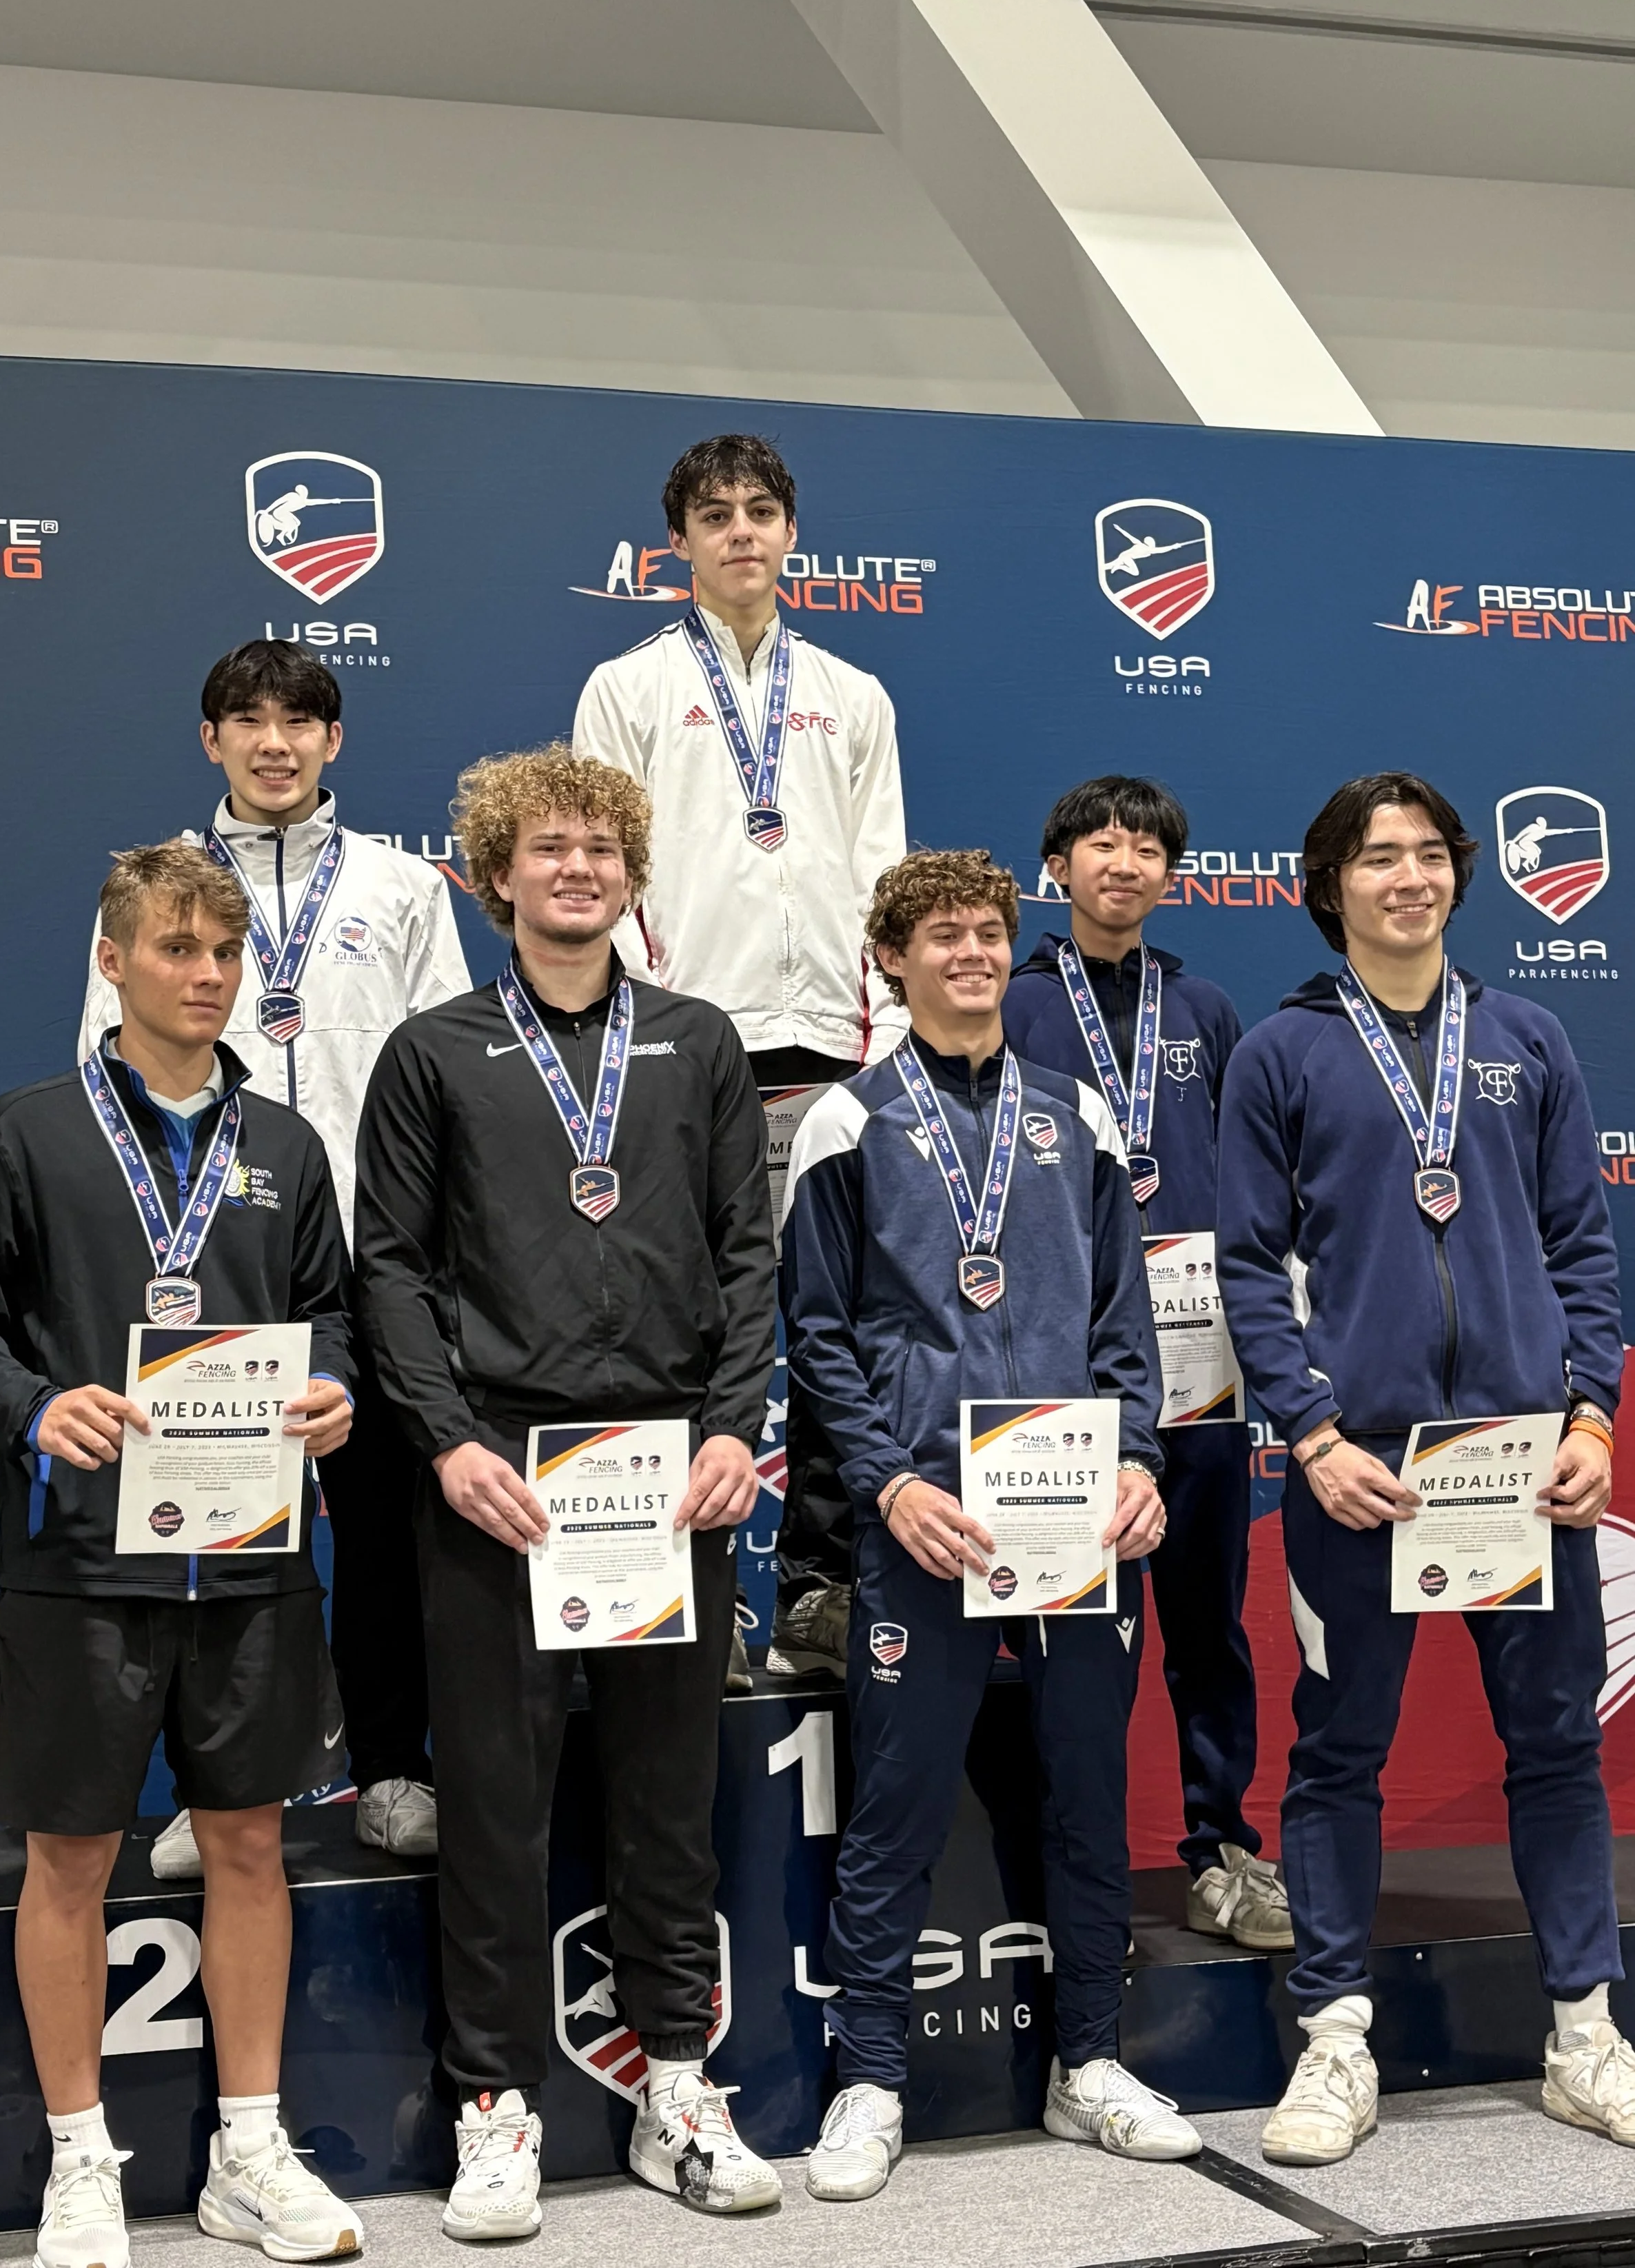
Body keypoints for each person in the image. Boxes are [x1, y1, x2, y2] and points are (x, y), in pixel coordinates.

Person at [0, 843, 363, 2268]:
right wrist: (38, 1406)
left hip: (249, 1562)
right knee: (71, 1860)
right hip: (80, 1569)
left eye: (225, 953)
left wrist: (335, 1387)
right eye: (176, 949)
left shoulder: (285, 1146)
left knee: (247, 1843)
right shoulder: (29, 1129)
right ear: (112, 960)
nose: (206, 976)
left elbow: (331, 1317)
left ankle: (248, 2144)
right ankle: (77, 2159)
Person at [352, 745, 781, 2237]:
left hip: (667, 1476)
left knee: (668, 1804)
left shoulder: (701, 1040)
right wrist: (447, 1440)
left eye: (601, 845)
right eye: (547, 846)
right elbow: (391, 1269)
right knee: (493, 1811)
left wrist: (735, 1426)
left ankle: (676, 2081)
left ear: (631, 871)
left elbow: (745, 1252)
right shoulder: (433, 1052)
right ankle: (494, 2103)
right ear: (496, 872)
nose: (577, 866)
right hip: (500, 1480)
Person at [1217, 771, 1628, 2165]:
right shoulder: (1282, 1053)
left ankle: (1582, 2033)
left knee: (1555, 1749)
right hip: (1360, 1474)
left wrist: (1588, 1417)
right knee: (1337, 1757)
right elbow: (1243, 1272)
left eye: (1427, 855)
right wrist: (1312, 1434)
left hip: (1522, 1461)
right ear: (1328, 883)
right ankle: (1333, 2040)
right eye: (1374, 857)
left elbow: (1581, 1245)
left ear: (1457, 875)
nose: (1406, 877)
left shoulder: (1523, 1037)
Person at [781, 847, 1199, 2203]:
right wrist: (888, 1483)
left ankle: (1088, 2066)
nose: (966, 953)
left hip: (1071, 1508)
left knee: (1086, 1796)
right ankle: (868, 2079)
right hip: (924, 1516)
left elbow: (1120, 1321)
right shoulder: (843, 1124)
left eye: (983, 934)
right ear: (888, 960)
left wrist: (1134, 1459)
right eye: (937, 936)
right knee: (895, 1807)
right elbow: (821, 1337)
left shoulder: (1074, 1115)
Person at [81, 639, 471, 1873]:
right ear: (211, 741)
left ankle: (394, 1765)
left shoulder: (402, 886)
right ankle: (216, 1790)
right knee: (223, 1531)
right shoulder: (157, 889)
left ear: (333, 740)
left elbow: (449, 1070)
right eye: (246, 720)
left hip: (379, 1251)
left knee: (384, 1527)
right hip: (215, 1252)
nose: (274, 742)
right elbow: (106, 1073)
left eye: (300, 720)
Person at [571, 434, 907, 1687]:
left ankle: (819, 1587)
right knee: (682, 1329)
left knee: (832, 1325)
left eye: (761, 511)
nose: (741, 533)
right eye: (714, 516)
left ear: (791, 531)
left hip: (828, 1051)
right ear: (681, 544)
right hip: (684, 1054)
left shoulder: (854, 693)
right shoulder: (630, 687)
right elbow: (609, 868)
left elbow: (885, 874)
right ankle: (692, 1597)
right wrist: (659, 1020)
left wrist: (875, 1040)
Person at [1001, 777, 1291, 1952]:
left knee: (1208, 1619)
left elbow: (1254, 1177)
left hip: (1203, 1366)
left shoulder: (1206, 1005)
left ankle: (1223, 1849)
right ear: (1057, 866)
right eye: (1099, 842)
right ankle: (1076, 1875)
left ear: (1174, 874)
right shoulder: (1014, 1006)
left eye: (1149, 846)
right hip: (1071, 1362)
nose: (1124, 860)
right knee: (1072, 1632)